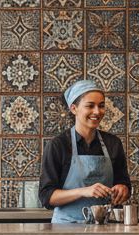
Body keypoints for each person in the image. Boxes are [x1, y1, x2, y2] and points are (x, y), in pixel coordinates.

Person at [39, 79, 131, 223]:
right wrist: (83, 191)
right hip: (66, 229)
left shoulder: (113, 143)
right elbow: (47, 197)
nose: (97, 111)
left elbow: (124, 183)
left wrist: (122, 189)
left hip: (105, 228)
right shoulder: (59, 145)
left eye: (101, 106)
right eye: (90, 106)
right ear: (74, 108)